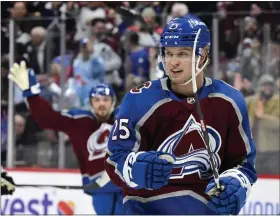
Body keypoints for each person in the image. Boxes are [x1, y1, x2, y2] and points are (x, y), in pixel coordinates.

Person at [105, 14, 257, 215]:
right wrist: (134, 168)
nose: (173, 63)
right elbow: (114, 160)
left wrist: (236, 184)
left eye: (183, 54)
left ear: (202, 55)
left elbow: (243, 163)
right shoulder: (138, 101)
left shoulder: (230, 101)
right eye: (169, 53)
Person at [8, 61, 123, 215]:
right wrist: (32, 94)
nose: (101, 104)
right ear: (90, 103)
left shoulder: (126, 119)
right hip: (99, 189)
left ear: (113, 102)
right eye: (97, 100)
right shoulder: (79, 121)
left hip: (127, 186)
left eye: (105, 100)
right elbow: (47, 118)